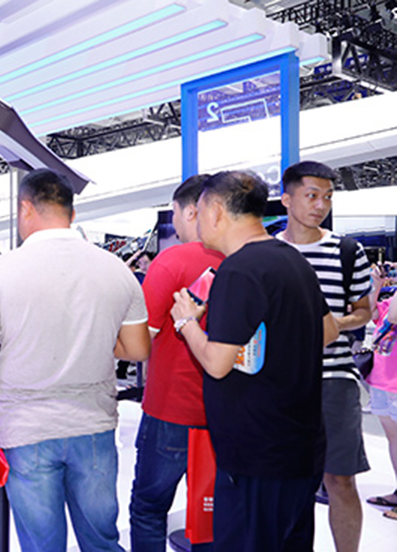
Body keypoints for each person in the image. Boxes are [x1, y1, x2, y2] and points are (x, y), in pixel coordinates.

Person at [0, 168, 150, 552]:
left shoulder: (1, 271)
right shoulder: (115, 269)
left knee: (42, 545)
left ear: (25, 208)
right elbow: (137, 350)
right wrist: (92, 339)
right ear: (72, 214)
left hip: (26, 430)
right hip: (93, 426)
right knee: (101, 541)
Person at [170, 170, 339, 551]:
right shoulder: (291, 259)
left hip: (257, 452)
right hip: (300, 446)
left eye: (199, 210)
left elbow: (217, 363)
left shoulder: (239, 270)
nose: (197, 220)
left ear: (216, 210)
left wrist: (186, 322)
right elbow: (328, 331)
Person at [276, 160, 372, 552]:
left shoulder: (347, 251)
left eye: (328, 197)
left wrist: (333, 324)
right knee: (285, 480)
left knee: (340, 479)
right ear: (287, 199)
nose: (320, 205)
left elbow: (364, 311)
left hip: (335, 379)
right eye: (312, 195)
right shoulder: (268, 251)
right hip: (279, 383)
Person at [129, 174, 224, 552]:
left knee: (149, 507)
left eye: (174, 213)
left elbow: (142, 338)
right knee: (210, 512)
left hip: (169, 409)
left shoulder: (171, 261)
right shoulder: (239, 258)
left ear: (191, 211)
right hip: (223, 411)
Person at [364, 262, 397, 521]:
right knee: (393, 438)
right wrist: (376, 284)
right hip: (382, 381)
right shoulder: (390, 298)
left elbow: (395, 315)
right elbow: (372, 312)